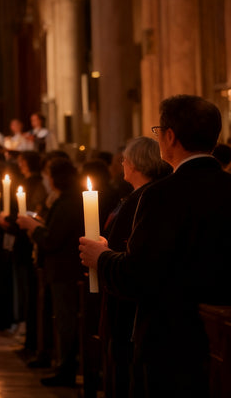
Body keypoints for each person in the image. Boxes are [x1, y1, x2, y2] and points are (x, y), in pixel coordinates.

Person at [80, 95, 231, 398]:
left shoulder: (161, 195)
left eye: (158, 131)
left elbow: (140, 274)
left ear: (170, 136)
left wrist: (103, 258)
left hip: (172, 339)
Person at [99, 137, 171, 398]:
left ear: (136, 163)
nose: (122, 163)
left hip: (130, 300)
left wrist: (103, 254)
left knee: (127, 370)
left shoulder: (147, 197)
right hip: (121, 286)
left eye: (125, 159)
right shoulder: (135, 196)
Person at [18, 156, 83, 388]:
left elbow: (53, 239)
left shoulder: (67, 202)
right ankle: (59, 362)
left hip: (64, 270)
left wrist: (34, 228)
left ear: (55, 178)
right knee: (60, 318)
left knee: (65, 320)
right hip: (59, 270)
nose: (45, 179)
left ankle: (66, 368)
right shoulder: (64, 200)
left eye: (48, 174)